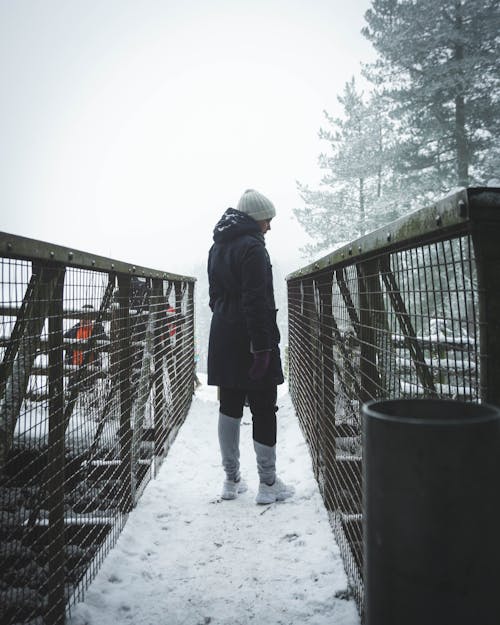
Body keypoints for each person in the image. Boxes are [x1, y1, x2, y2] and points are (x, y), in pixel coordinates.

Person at [207, 188, 294, 504]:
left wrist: (226, 317)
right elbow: (257, 300)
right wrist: (261, 349)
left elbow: (214, 296)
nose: (269, 227)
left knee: (228, 407)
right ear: (255, 219)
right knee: (263, 408)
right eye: (267, 220)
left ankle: (231, 481)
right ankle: (268, 484)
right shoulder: (254, 248)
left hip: (223, 336)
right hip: (253, 339)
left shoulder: (217, 247)